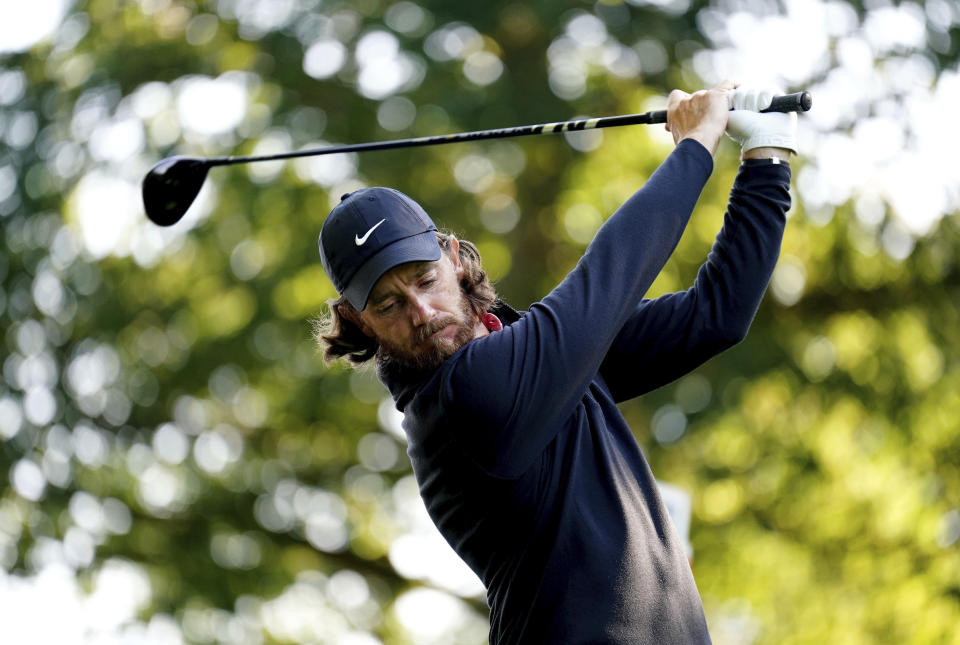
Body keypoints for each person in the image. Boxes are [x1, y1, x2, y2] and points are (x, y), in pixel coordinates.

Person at [315, 81, 796, 644]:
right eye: (389, 304)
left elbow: (717, 314)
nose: (422, 312)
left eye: (424, 280)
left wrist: (767, 156)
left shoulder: (542, 357)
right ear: (358, 321)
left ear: (450, 257)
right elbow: (609, 275)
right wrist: (694, 146)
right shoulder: (461, 398)